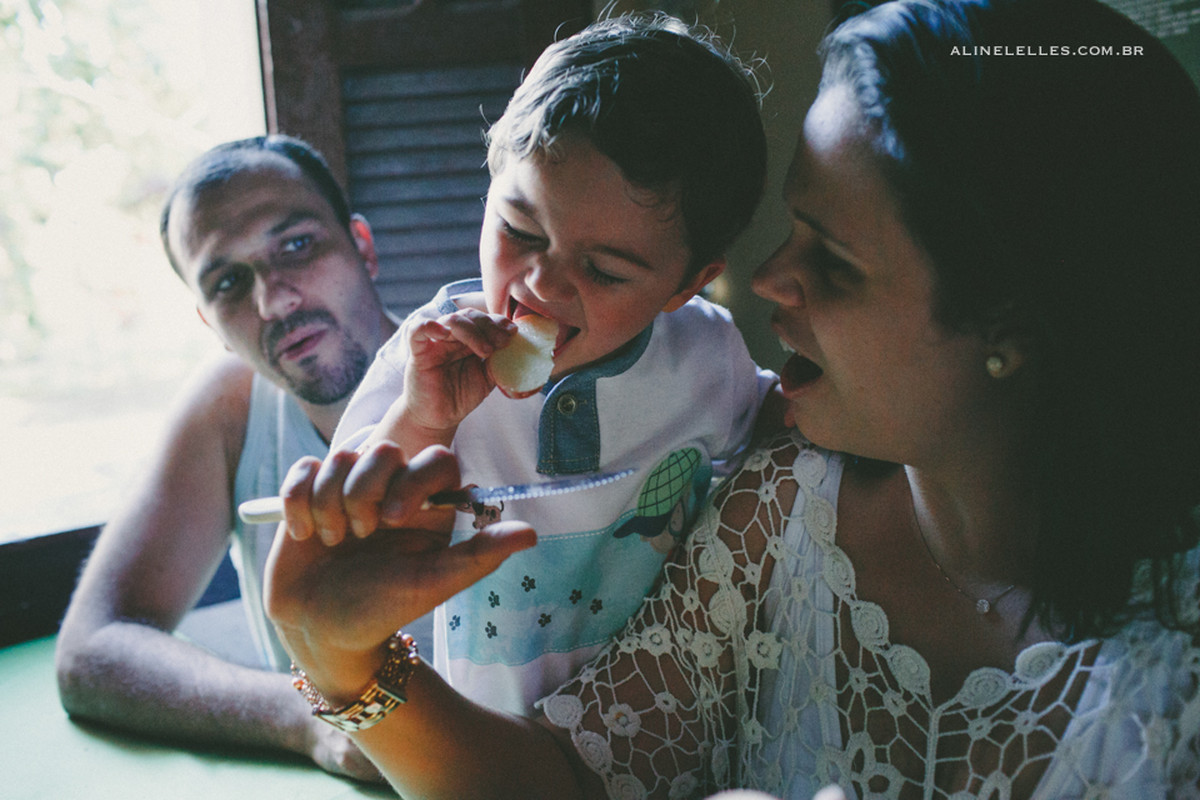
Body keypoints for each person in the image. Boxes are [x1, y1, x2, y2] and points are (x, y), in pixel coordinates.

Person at [263, 0, 1200, 797]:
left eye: (835, 264)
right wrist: (341, 664)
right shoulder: (777, 507)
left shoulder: (1176, 664)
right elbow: (565, 777)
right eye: (794, 226)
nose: (771, 282)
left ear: (1014, 331)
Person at [282, 14, 777, 718]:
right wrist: (423, 417)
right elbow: (358, 521)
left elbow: (779, 464)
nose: (542, 283)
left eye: (604, 270)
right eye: (519, 230)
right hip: (485, 744)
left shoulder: (708, 357)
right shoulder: (429, 354)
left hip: (666, 734)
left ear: (685, 286)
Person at [55, 135, 398, 782]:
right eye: (228, 282)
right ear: (208, 323)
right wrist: (316, 721)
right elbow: (91, 650)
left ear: (364, 247)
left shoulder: (480, 374)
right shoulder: (232, 408)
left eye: (296, 246)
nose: (275, 301)